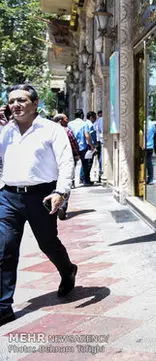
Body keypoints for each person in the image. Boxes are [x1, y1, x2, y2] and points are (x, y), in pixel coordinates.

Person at [0, 84, 78, 327]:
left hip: (42, 195)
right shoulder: (4, 131)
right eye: (11, 101)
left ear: (35, 104)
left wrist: (60, 192)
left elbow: (66, 162)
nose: (15, 105)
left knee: (48, 243)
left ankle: (67, 270)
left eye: (21, 100)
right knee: (4, 248)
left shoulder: (52, 129)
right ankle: (3, 307)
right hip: (8, 196)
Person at [53, 113, 79, 220]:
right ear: (60, 121)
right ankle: (62, 205)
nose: (67, 121)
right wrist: (77, 154)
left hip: (52, 162)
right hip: (66, 160)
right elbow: (73, 143)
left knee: (54, 181)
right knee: (66, 180)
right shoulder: (66, 130)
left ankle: (54, 203)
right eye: (65, 119)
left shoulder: (48, 131)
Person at [146, 118, 156, 184]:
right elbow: (155, 132)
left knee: (143, 162)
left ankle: (143, 178)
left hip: (143, 146)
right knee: (149, 162)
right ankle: (150, 179)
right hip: (150, 146)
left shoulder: (143, 123)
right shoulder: (152, 124)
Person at [94, 110, 103, 183]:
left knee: (99, 157)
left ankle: (99, 173)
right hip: (102, 141)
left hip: (98, 141)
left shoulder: (96, 122)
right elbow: (102, 131)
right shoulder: (101, 120)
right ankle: (100, 173)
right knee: (101, 157)